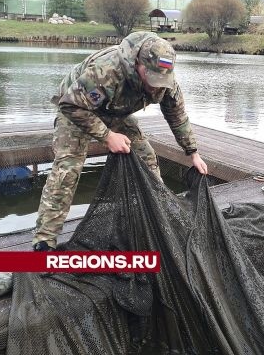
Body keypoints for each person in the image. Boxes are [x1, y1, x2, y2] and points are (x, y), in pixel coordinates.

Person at [33, 31, 208, 251]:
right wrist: (107, 137)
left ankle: (158, 216)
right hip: (76, 109)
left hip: (115, 111)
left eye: (161, 79)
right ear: (138, 64)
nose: (157, 85)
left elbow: (177, 114)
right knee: (68, 168)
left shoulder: (165, 79)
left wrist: (192, 152)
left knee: (146, 156)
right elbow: (70, 105)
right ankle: (44, 239)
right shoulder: (108, 70)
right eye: (152, 77)